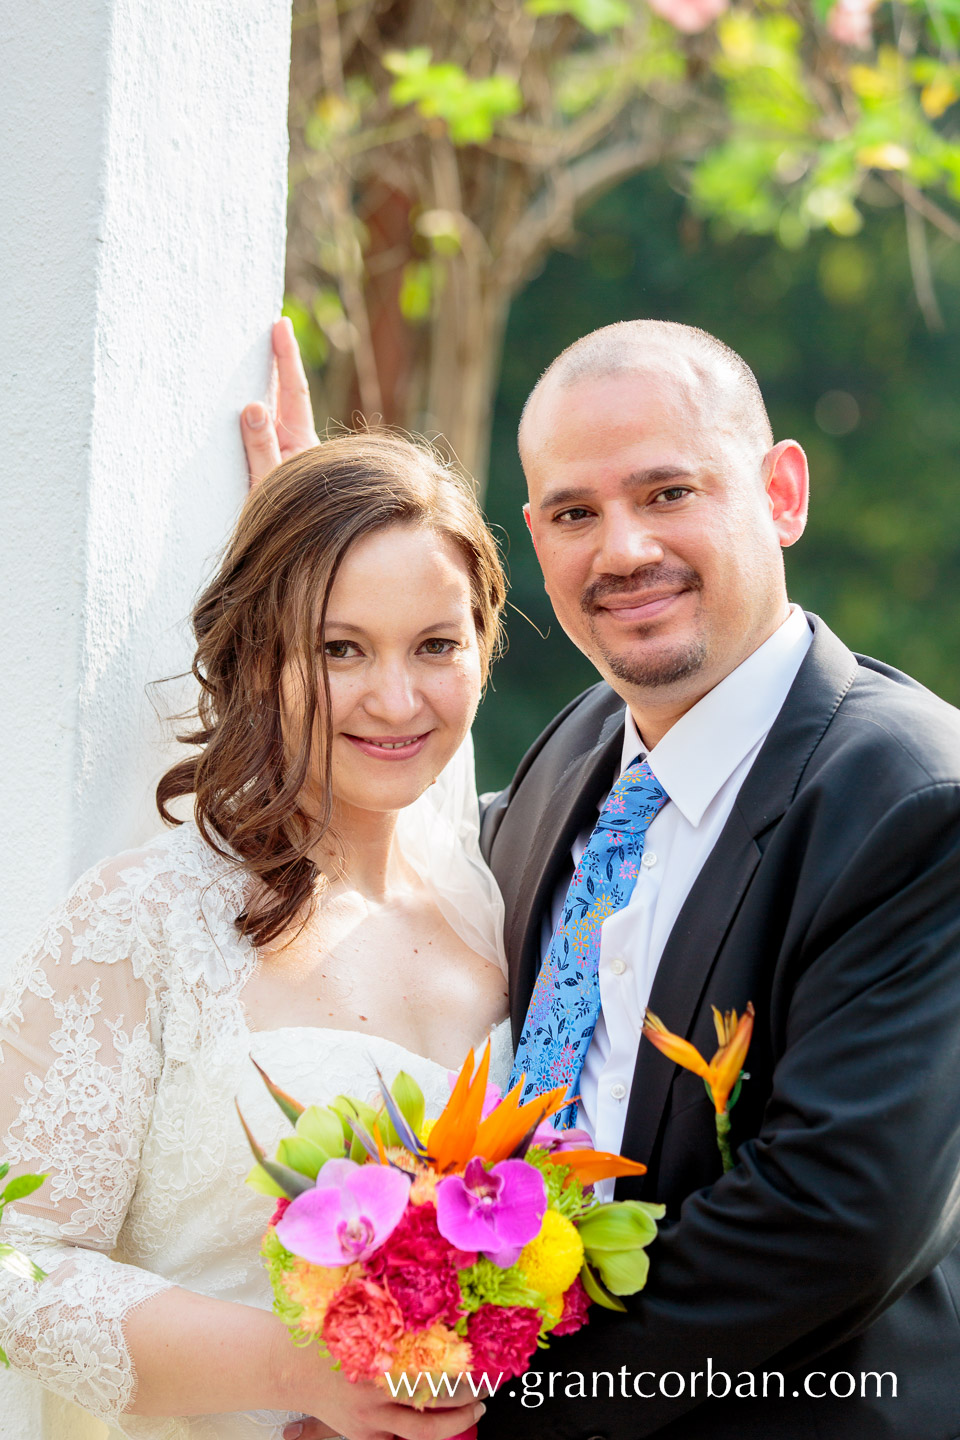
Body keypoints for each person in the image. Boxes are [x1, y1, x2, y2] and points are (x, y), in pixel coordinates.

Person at [257, 317, 960, 1440]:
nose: (623, 548)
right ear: (536, 540)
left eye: (669, 492)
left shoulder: (914, 799)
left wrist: (486, 1421)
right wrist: (317, 565)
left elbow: (836, 1219)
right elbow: (410, 845)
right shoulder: (577, 751)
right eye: (577, 513)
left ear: (782, 492)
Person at [0, 429, 510, 1440]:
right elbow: (19, 1267)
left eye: (436, 644)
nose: (396, 699)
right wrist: (313, 1371)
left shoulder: (489, 903)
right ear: (260, 652)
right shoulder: (145, 918)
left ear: (484, 646)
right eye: (339, 647)